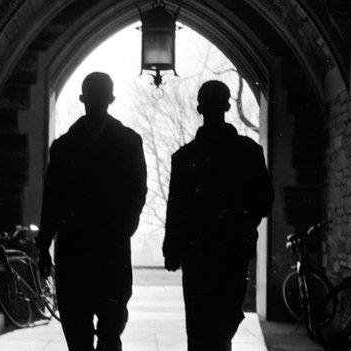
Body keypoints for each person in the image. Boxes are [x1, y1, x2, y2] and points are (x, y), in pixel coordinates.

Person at [36, 72, 147, 351]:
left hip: (104, 248)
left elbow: (137, 192)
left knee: (111, 329)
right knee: (77, 331)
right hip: (84, 250)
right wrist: (43, 245)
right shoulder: (67, 147)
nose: (96, 104)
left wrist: (124, 228)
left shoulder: (68, 147)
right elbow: (52, 199)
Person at [163, 80, 273, 351]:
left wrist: (172, 249)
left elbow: (175, 210)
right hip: (233, 251)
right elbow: (264, 203)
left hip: (197, 253)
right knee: (224, 323)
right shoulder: (249, 152)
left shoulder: (184, 157)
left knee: (199, 328)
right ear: (227, 106)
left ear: (199, 108)